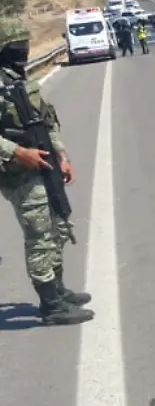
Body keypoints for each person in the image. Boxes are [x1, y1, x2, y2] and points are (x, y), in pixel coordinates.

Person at [0, 18, 93, 325]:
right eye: (16, 46)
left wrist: (62, 156)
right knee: (40, 236)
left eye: (25, 45)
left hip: (46, 163)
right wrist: (18, 152)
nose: (24, 51)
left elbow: (46, 120)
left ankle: (59, 290)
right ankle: (51, 307)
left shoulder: (20, 79)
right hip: (18, 173)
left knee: (58, 227)